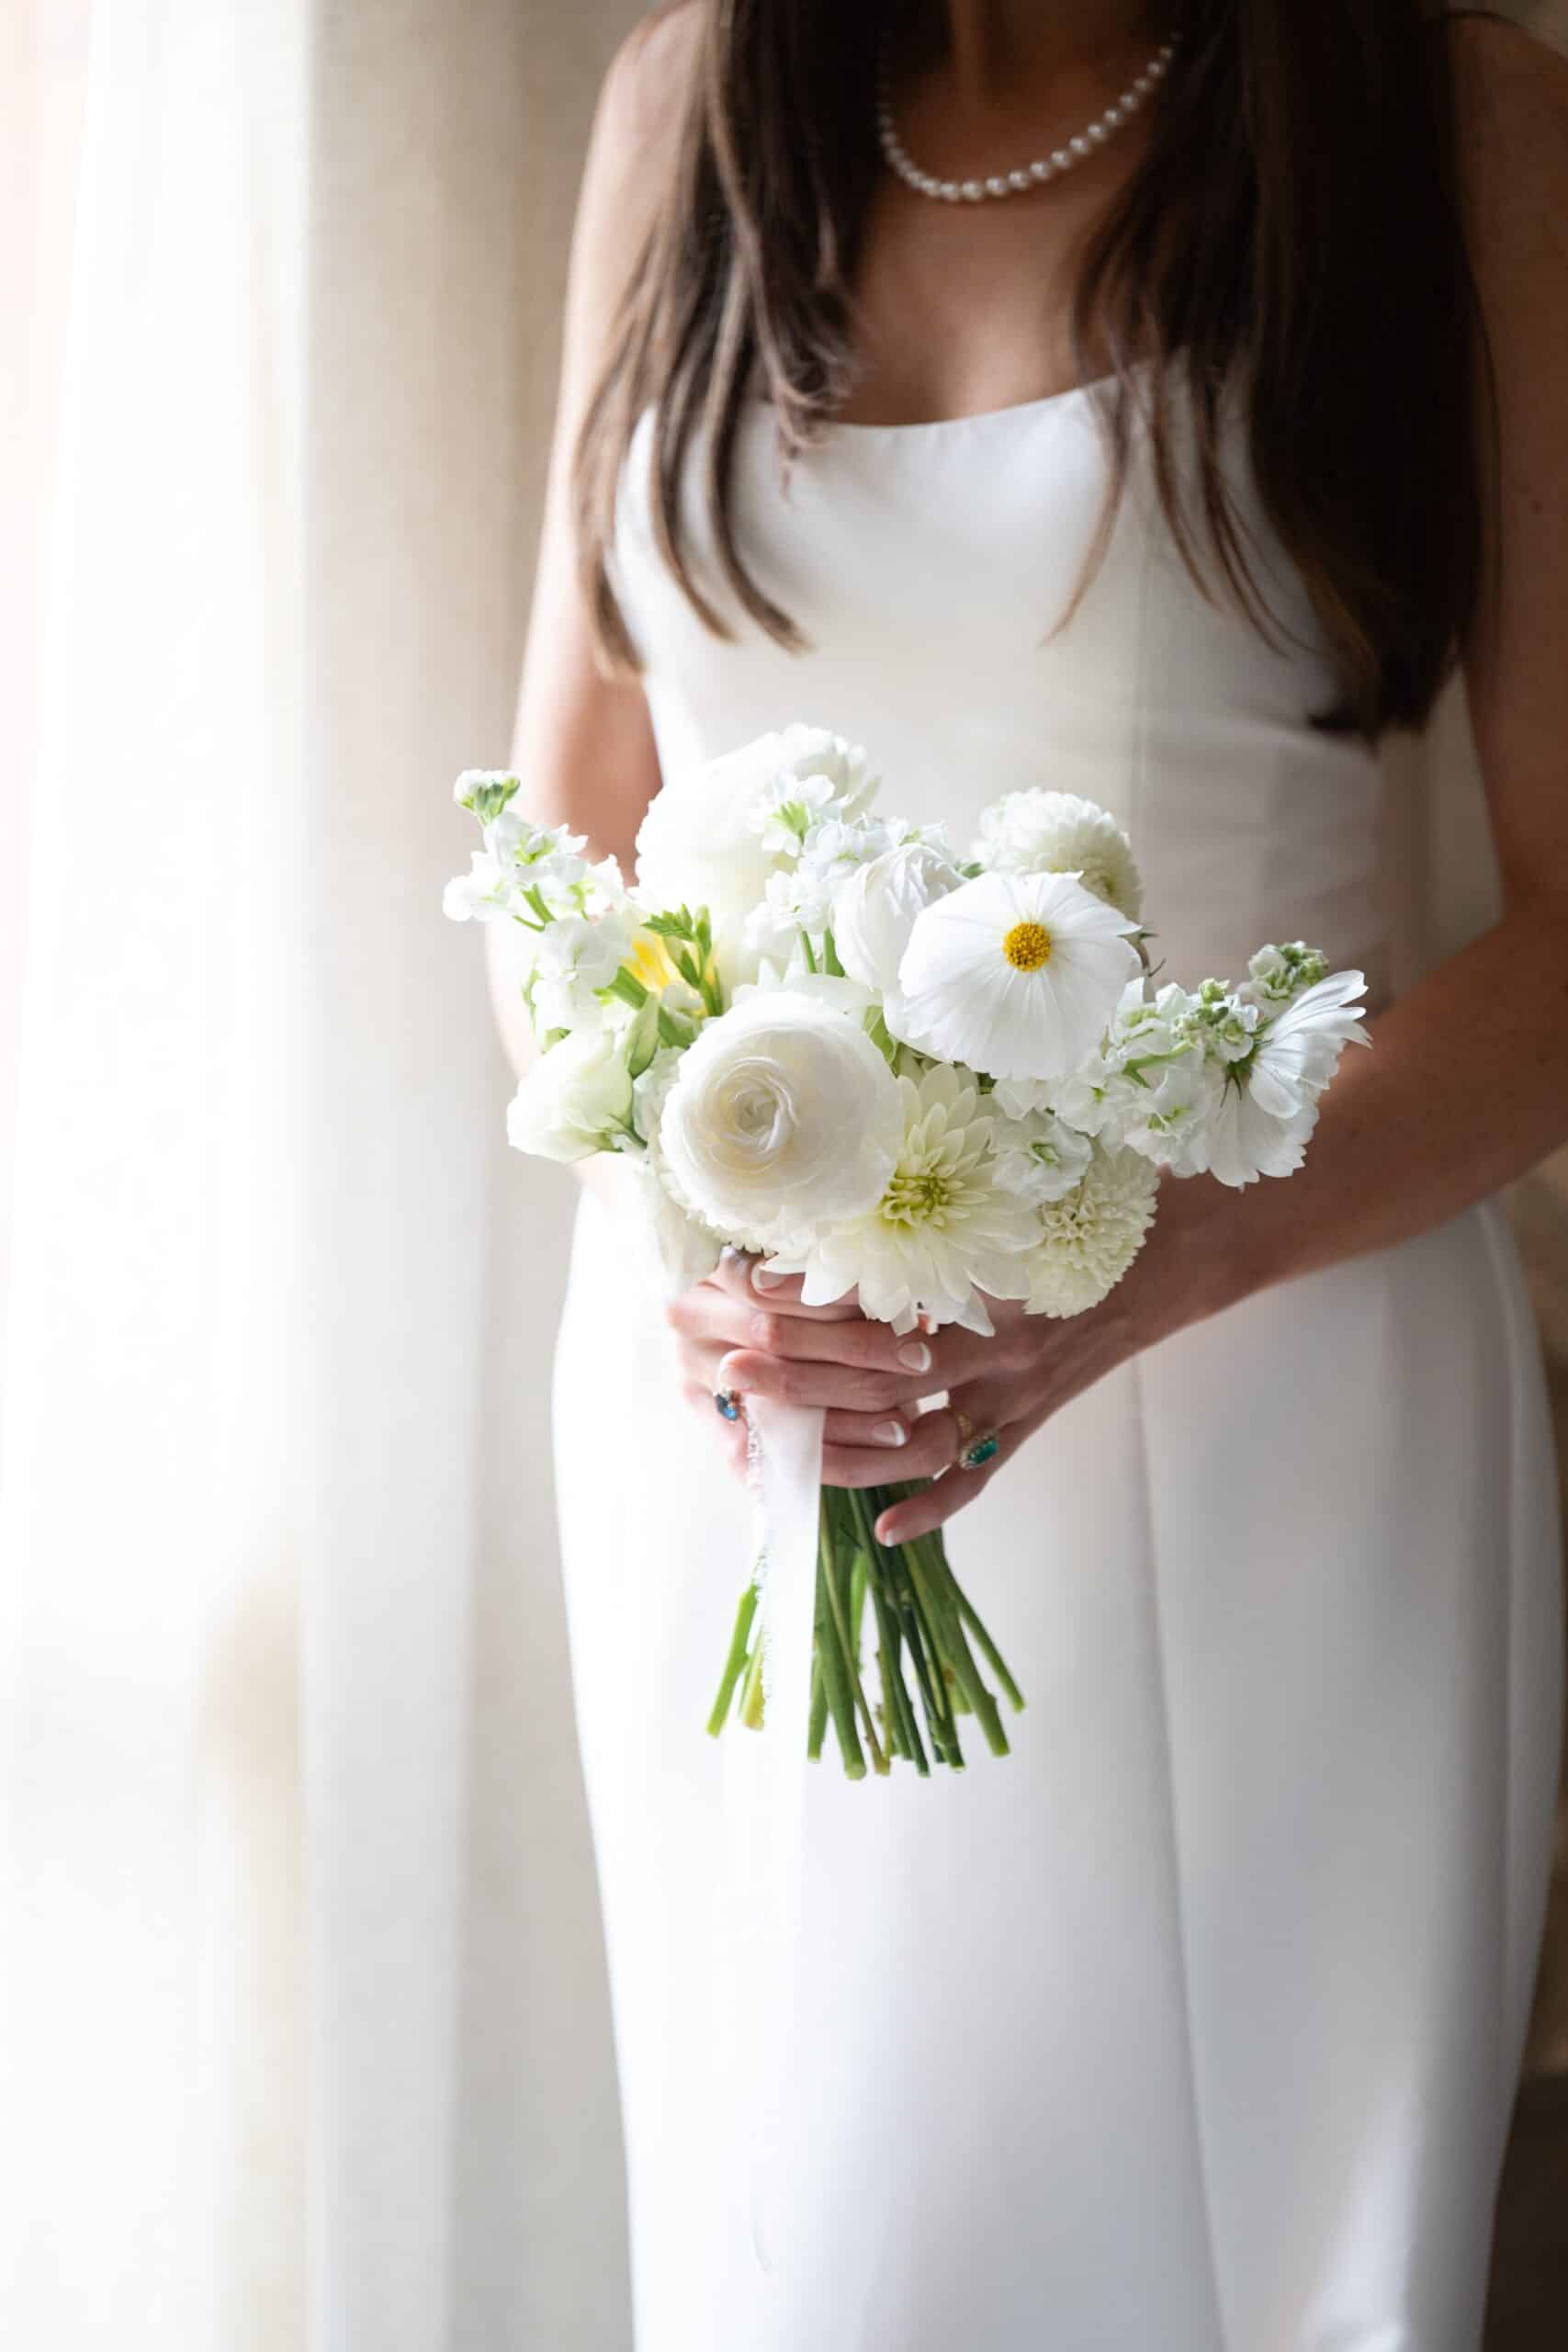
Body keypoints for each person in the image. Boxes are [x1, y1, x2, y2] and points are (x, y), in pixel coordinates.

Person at [490, 3, 1568, 2343]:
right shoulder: (685, 106)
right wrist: (707, 1238)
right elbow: (560, 834)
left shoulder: (1446, 106)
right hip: (746, 1421)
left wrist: (1131, 1261)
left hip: (1277, 1376)